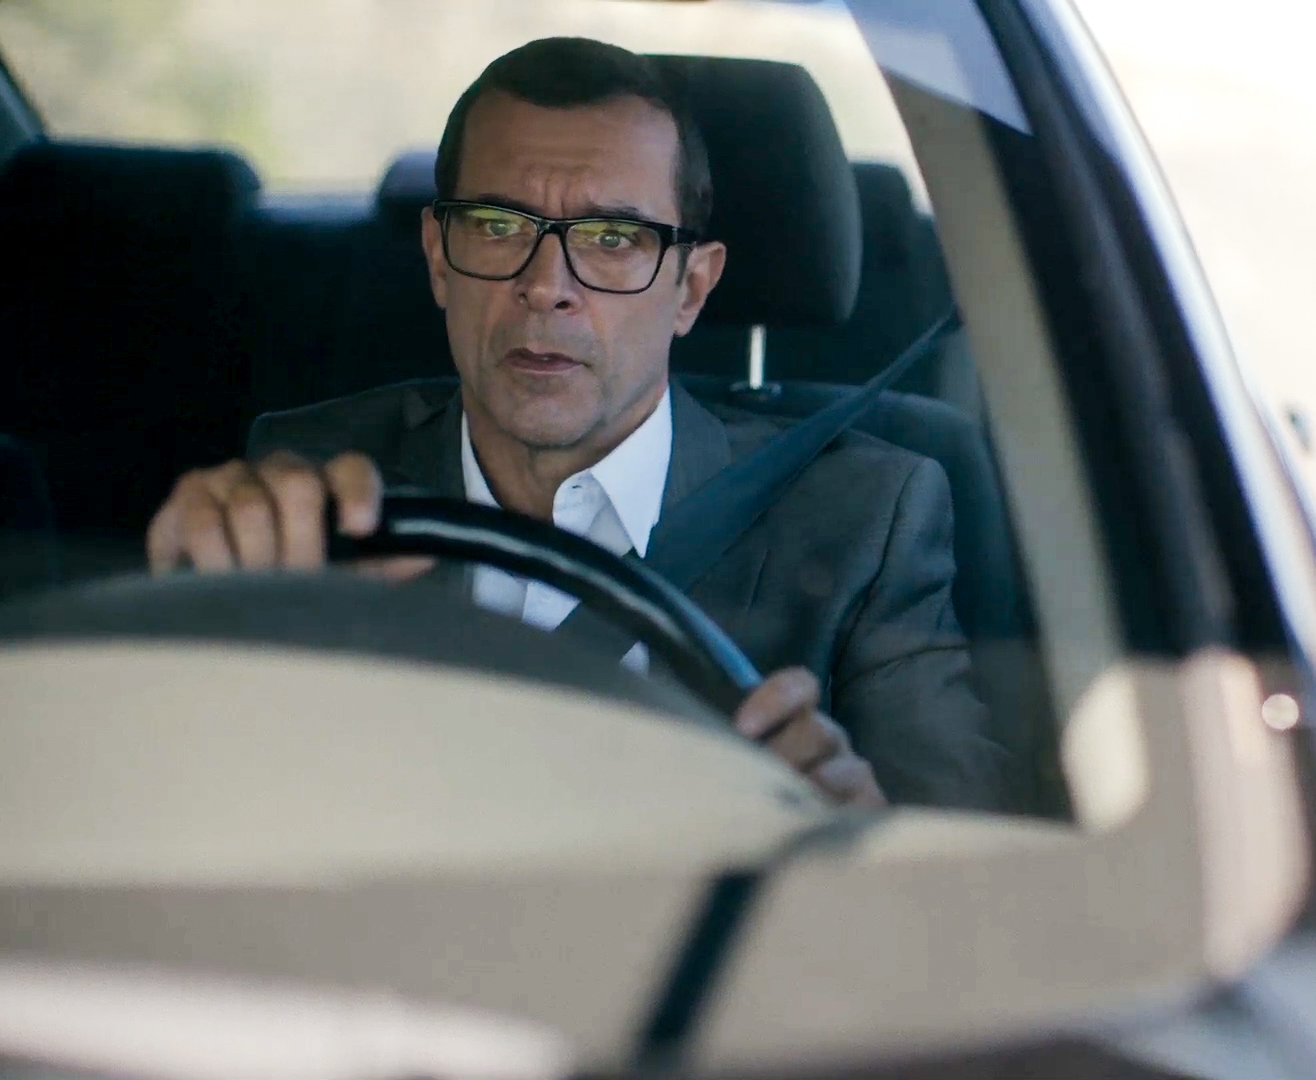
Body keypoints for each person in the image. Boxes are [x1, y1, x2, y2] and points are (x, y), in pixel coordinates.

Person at [144, 37, 1009, 812]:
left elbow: (965, 874)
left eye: (612, 238)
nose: (546, 286)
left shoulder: (866, 518)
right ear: (439, 259)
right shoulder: (309, 486)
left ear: (692, 288)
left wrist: (858, 831)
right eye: (497, 226)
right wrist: (188, 621)